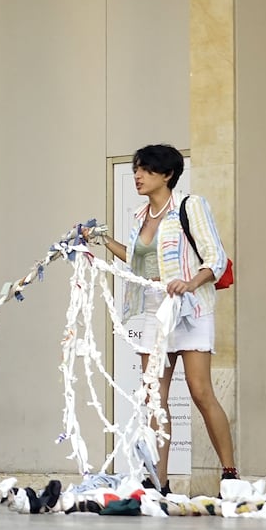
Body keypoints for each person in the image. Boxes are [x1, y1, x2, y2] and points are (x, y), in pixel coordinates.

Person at [84, 144, 237, 492]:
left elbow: (215, 258)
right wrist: (102, 240)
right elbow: (138, 264)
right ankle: (158, 482)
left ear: (166, 175)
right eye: (136, 169)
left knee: (200, 391)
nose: (137, 175)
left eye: (146, 170)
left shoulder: (190, 206)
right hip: (150, 316)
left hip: (189, 310)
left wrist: (188, 283)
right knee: (154, 397)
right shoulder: (140, 217)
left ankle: (229, 474)